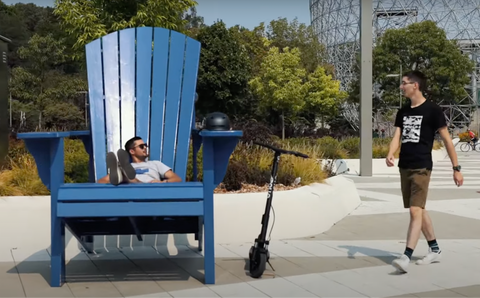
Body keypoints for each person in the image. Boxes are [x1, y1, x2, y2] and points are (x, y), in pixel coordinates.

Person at [385, 70, 463, 273]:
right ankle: (434, 249)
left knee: (414, 210)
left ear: (415, 85)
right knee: (419, 208)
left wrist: (456, 169)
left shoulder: (432, 110)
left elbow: (447, 140)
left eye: (404, 83)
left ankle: (406, 256)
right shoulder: (403, 111)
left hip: (422, 166)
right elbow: (397, 136)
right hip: (405, 166)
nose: (401, 86)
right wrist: (391, 153)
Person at [97, 136, 182, 185]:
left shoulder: (156, 164)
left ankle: (130, 179)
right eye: (141, 146)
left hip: (151, 190)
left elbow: (176, 178)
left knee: (127, 177)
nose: (145, 148)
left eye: (145, 145)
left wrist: (163, 182)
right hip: (130, 195)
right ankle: (128, 179)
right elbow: (101, 181)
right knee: (122, 174)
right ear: (132, 151)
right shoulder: (126, 166)